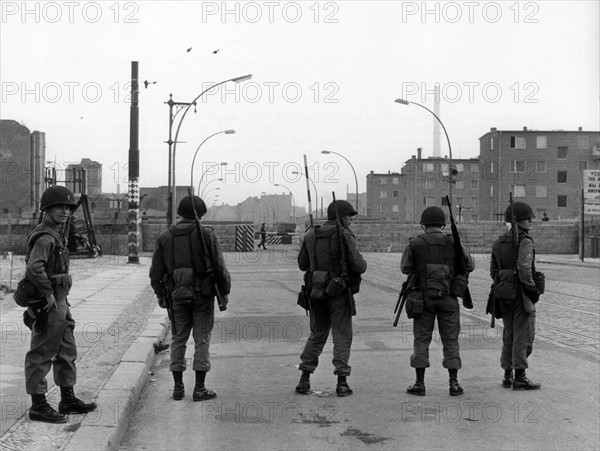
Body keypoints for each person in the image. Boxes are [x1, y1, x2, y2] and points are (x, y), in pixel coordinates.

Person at [24, 185, 97, 423]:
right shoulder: (45, 236)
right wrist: (47, 294)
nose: (64, 211)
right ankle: (38, 405)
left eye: (67, 207)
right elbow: (35, 267)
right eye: (58, 207)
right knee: (42, 351)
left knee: (66, 349)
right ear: (47, 209)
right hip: (50, 302)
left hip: (61, 300)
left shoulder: (57, 233)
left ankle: (67, 398)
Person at [150, 195, 231, 401]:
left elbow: (155, 273)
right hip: (203, 296)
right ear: (201, 213)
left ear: (180, 212)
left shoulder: (165, 236)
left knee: (178, 339)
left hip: (176, 295)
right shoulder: (206, 234)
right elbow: (219, 267)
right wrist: (225, 290)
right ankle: (200, 388)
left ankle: (178, 387)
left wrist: (161, 295)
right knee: (202, 339)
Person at [400, 206, 475, 397]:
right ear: (442, 224)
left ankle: (420, 383)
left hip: (423, 299)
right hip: (449, 298)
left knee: (421, 339)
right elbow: (470, 265)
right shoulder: (453, 242)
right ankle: (454, 383)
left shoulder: (415, 243)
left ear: (423, 225)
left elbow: (405, 268)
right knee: (450, 339)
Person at [296, 200, 367, 397]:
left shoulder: (311, 234)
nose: (350, 221)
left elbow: (302, 264)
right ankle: (342, 382)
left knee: (317, 335)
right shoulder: (344, 234)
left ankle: (304, 378)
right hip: (339, 294)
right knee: (342, 336)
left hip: (316, 292)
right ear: (342, 217)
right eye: (349, 217)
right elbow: (358, 265)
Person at [490, 202, 541, 390]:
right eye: (528, 219)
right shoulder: (525, 241)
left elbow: (493, 271)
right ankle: (520, 375)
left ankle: (507, 374)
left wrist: (504, 285)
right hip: (520, 295)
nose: (530, 222)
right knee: (523, 334)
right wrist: (531, 289)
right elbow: (524, 268)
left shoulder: (498, 242)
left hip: (503, 295)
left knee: (509, 333)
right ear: (519, 221)